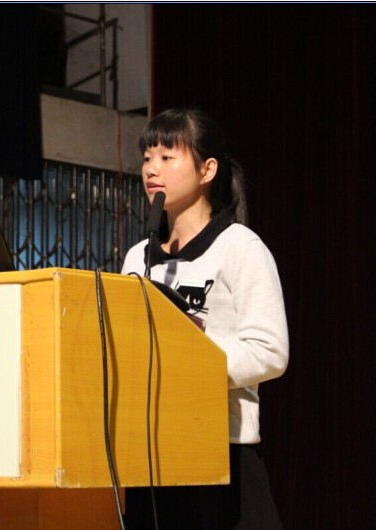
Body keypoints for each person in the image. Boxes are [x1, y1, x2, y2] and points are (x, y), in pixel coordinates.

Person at [121, 108, 289, 529]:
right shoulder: (137, 258)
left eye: (167, 157)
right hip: (151, 455)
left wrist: (193, 363)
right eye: (147, 158)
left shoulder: (240, 248)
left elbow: (270, 351)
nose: (151, 169)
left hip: (223, 455)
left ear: (207, 170)